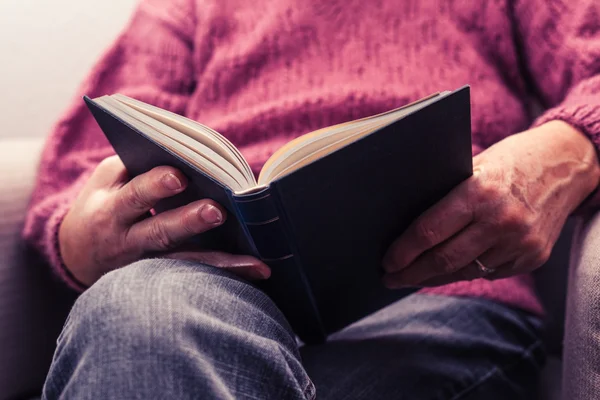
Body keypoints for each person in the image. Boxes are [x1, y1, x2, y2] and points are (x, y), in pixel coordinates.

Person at [23, 0, 600, 398]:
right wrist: (81, 242)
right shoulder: (186, 8)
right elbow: (79, 169)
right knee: (145, 310)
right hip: (204, 299)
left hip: (441, 308)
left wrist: (567, 149)